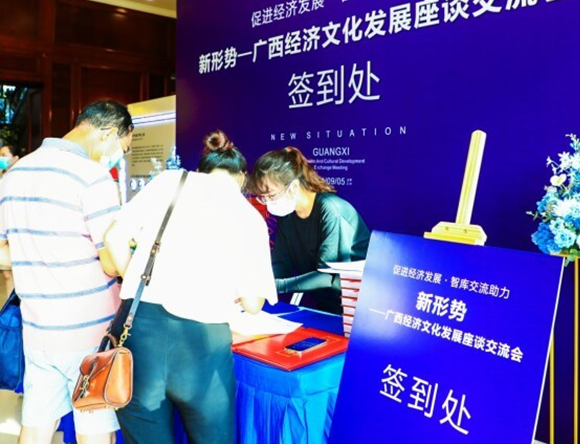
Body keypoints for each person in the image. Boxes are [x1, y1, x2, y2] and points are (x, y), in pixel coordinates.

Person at [104, 130, 277, 444]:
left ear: (201, 170)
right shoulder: (248, 216)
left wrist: (139, 282)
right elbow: (253, 304)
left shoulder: (168, 182)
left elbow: (113, 238)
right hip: (203, 346)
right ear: (241, 178)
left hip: (140, 333)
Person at [0, 100, 133, 444]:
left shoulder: (16, 173)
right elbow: (111, 261)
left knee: (36, 428)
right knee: (95, 431)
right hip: (89, 333)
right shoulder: (92, 176)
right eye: (122, 148)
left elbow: (2, 252)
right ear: (108, 134)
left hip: (37, 329)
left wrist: (36, 255)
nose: (118, 157)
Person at [248, 146, 370, 315]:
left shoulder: (332, 211)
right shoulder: (287, 216)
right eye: (263, 197)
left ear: (293, 187)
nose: (267, 202)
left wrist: (273, 286)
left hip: (356, 308)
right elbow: (281, 263)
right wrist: (257, 284)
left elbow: (328, 276)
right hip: (323, 305)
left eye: (271, 195)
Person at [0, 143, 20, 299]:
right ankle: (9, 307)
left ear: (15, 158)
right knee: (7, 273)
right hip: (2, 226)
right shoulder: (2, 177)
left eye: (4, 155)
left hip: (12, 226)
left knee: (15, 272)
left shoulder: (19, 179)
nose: (1, 159)